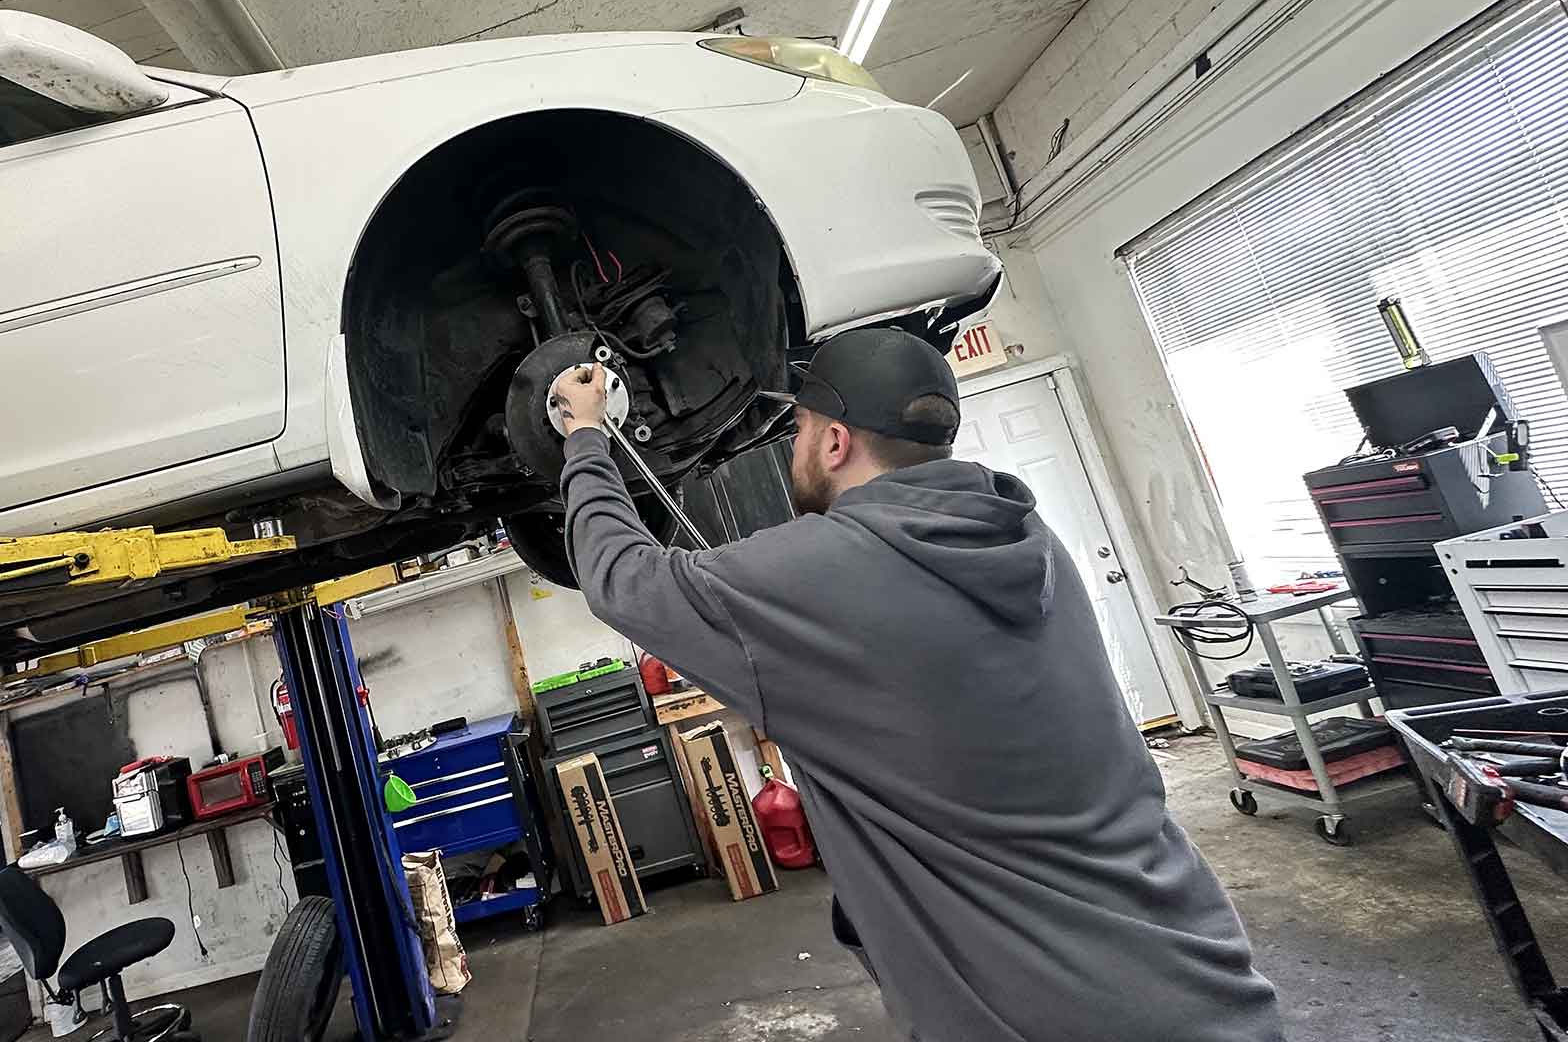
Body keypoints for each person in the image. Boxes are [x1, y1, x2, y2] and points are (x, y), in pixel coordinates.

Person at [548, 326, 1283, 1042]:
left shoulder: (818, 572)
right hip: (1204, 972)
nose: (795, 448)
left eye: (800, 429)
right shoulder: (1028, 537)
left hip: (1038, 1010)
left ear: (835, 442)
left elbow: (622, 579)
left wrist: (584, 436)